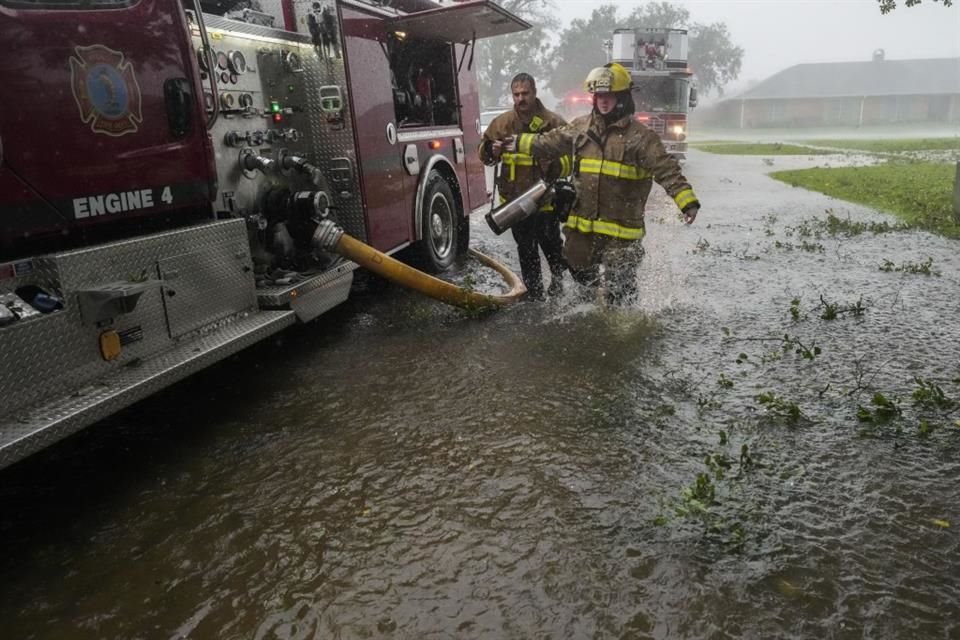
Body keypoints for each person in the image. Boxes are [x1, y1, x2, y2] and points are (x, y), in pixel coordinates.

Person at [505, 62, 701, 306]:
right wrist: (517, 143)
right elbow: (549, 142)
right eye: (599, 96)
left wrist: (686, 201)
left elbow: (667, 169)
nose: (603, 101)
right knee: (581, 286)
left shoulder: (641, 137)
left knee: (620, 293)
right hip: (583, 231)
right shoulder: (581, 127)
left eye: (610, 96)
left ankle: (621, 332)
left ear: (623, 97)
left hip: (621, 233)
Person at [479, 73, 570, 299]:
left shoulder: (553, 123)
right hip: (515, 203)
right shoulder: (502, 124)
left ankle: (558, 284)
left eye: (525, 93)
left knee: (552, 248)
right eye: (516, 94)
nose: (521, 99)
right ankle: (534, 296)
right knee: (526, 250)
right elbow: (484, 155)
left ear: (535, 92)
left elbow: (573, 160)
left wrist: (555, 163)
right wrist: (492, 150)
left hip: (546, 201)